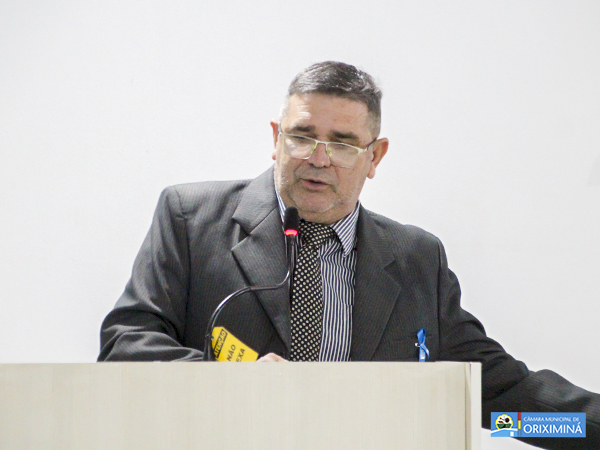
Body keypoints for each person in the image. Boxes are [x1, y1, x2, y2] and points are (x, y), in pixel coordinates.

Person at [98, 61, 599, 448]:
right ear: (275, 139)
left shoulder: (416, 259)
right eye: (302, 137)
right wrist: (227, 381)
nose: (318, 159)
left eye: (342, 144)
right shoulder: (192, 219)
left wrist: (587, 430)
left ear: (375, 156)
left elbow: (496, 401)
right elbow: (124, 346)